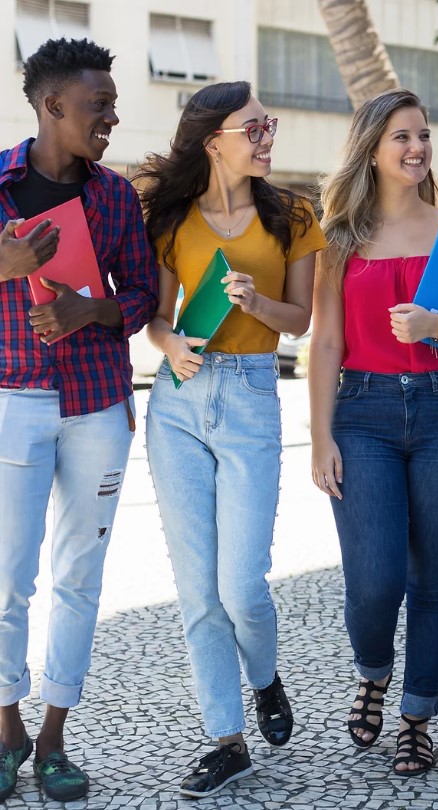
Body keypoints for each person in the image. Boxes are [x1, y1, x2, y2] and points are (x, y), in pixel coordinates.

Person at [137, 81, 326, 799]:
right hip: (181, 399)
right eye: (254, 126)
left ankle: (265, 674)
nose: (266, 135)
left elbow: (300, 320)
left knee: (242, 586)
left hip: (250, 394)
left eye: (267, 123)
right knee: (197, 593)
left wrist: (256, 300)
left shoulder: (293, 215)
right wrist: (171, 344)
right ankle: (227, 740)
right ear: (213, 138)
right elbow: (154, 319)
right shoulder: (174, 217)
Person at [309, 88, 438, 776]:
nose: (417, 147)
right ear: (371, 147)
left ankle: (417, 717)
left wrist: (437, 328)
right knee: (373, 580)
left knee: (433, 581)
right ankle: (373, 670)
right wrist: (319, 436)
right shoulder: (339, 239)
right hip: (360, 414)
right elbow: (326, 343)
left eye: (422, 135)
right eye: (401, 137)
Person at [0, 38, 158, 802]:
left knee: (78, 580)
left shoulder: (116, 196)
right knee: (5, 581)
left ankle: (55, 739)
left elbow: (142, 298)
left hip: (97, 404)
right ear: (52, 105)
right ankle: (7, 733)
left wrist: (87, 308)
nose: (112, 117)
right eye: (100, 105)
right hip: (12, 400)